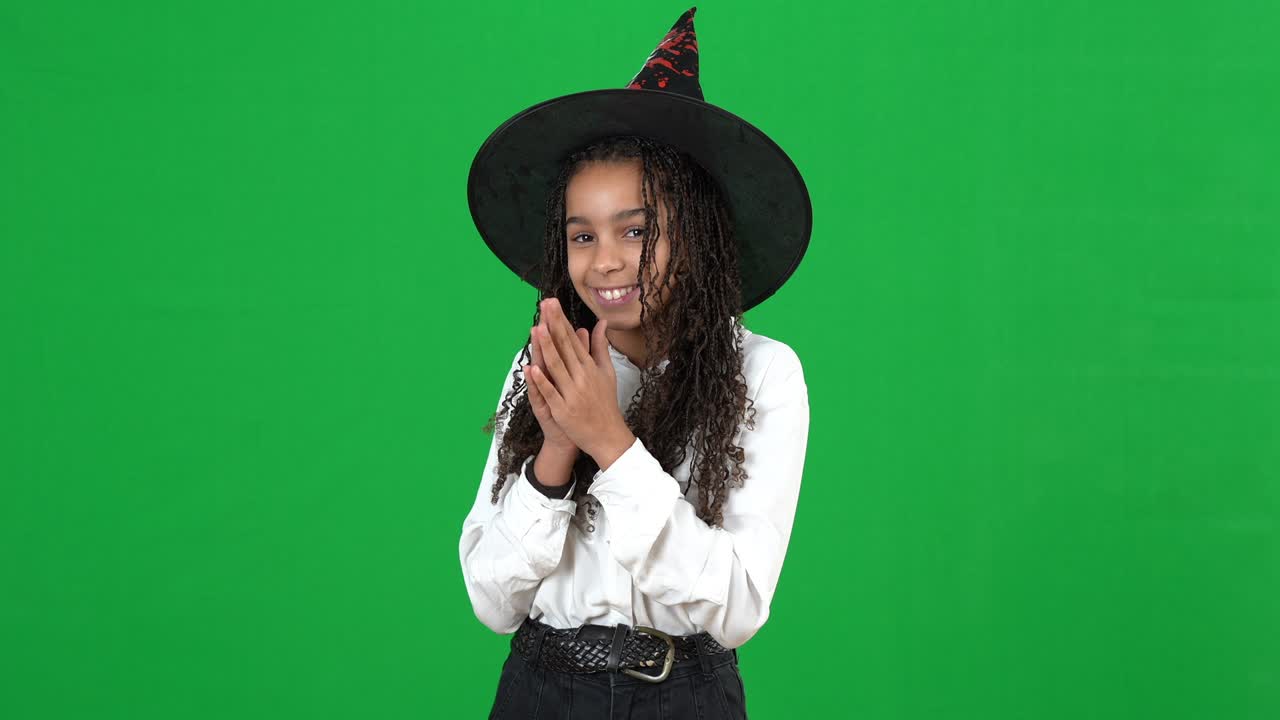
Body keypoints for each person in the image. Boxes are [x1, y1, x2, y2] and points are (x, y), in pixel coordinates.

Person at [458, 7, 812, 718]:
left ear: (698, 234)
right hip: (539, 691)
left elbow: (738, 606)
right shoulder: (546, 364)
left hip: (687, 697)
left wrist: (608, 442)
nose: (607, 260)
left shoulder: (765, 374)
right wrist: (556, 448)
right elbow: (493, 601)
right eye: (582, 235)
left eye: (638, 229)